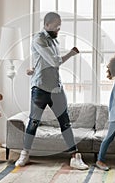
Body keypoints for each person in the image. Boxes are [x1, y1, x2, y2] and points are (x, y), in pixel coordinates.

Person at [15, 12, 88, 170]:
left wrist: (33, 68)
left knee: (65, 122)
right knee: (33, 122)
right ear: (47, 25)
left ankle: (75, 157)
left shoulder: (54, 40)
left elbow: (42, 60)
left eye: (59, 25)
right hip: (40, 88)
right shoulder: (39, 39)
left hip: (56, 87)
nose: (58, 29)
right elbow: (54, 61)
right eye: (56, 26)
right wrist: (71, 53)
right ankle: (25, 154)